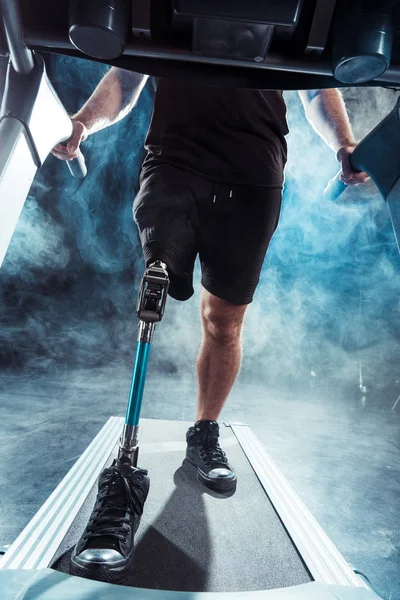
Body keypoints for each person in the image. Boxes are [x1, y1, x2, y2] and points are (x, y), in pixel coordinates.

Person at [52, 71, 368, 581]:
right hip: (176, 163)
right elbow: (128, 77)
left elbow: (312, 87)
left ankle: (203, 434)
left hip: (255, 174)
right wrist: (84, 124)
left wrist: (344, 143)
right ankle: (123, 480)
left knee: (223, 321)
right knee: (154, 288)